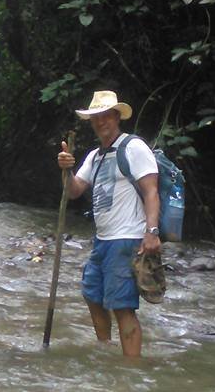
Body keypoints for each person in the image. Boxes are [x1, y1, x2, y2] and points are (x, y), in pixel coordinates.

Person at [56, 90, 161, 357]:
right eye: (96, 117)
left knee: (122, 306)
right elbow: (74, 191)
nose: (101, 121)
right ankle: (105, 350)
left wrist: (151, 232)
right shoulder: (95, 156)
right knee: (92, 295)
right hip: (102, 240)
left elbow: (151, 191)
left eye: (106, 116)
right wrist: (66, 169)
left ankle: (131, 367)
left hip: (126, 239)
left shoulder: (133, 147)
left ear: (117, 117)